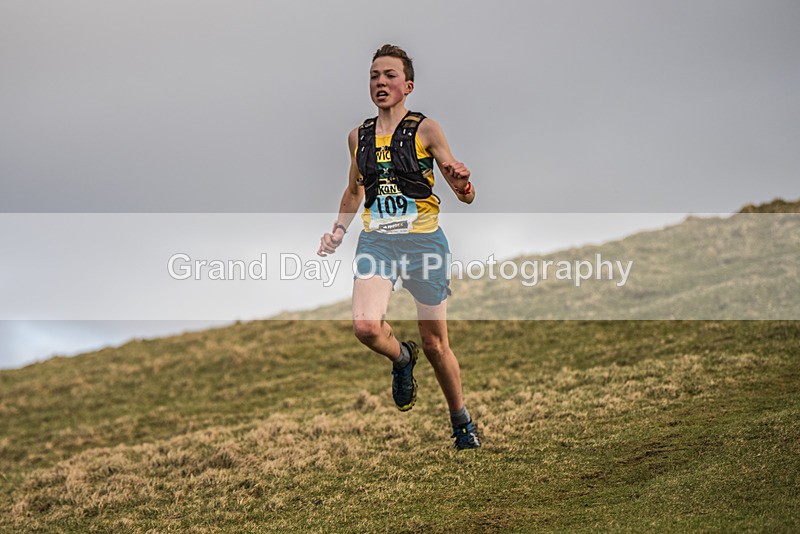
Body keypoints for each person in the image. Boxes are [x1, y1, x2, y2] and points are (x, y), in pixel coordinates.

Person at [317, 44, 479, 450]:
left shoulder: (426, 130)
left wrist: (463, 183)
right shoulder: (359, 137)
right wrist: (337, 231)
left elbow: (464, 194)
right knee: (366, 327)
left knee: (435, 344)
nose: (380, 82)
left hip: (424, 243)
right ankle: (402, 357)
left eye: (389, 75)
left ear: (408, 85)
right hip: (378, 241)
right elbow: (354, 191)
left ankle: (461, 420)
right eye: (374, 75)